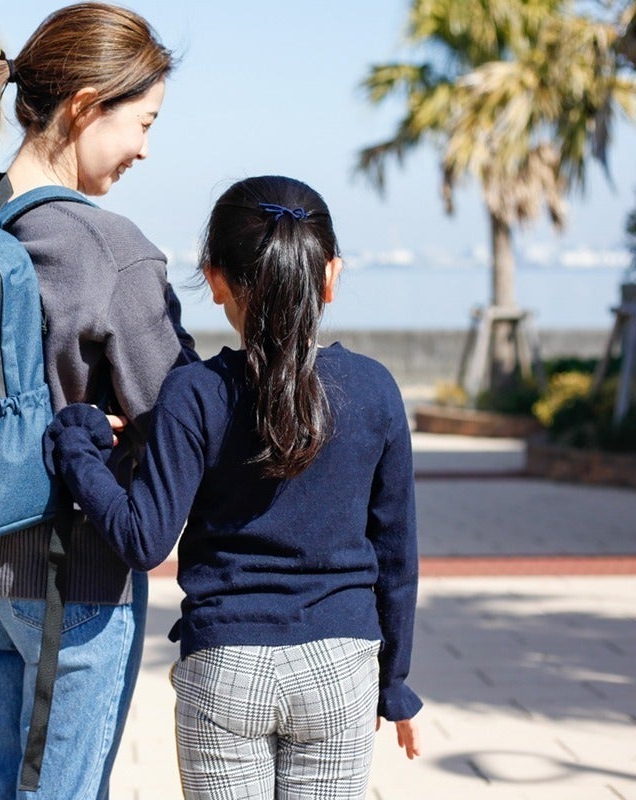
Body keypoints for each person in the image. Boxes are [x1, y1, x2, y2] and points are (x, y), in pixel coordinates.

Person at [44, 175, 422, 799]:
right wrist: (395, 682)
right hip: (341, 668)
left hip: (226, 665)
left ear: (215, 280)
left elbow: (142, 539)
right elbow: (396, 557)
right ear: (330, 275)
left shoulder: (195, 394)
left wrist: (76, 448)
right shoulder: (374, 388)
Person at [0, 3, 196, 798]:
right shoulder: (107, 249)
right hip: (71, 581)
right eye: (143, 123)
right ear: (85, 106)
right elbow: (178, 413)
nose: (146, 149)